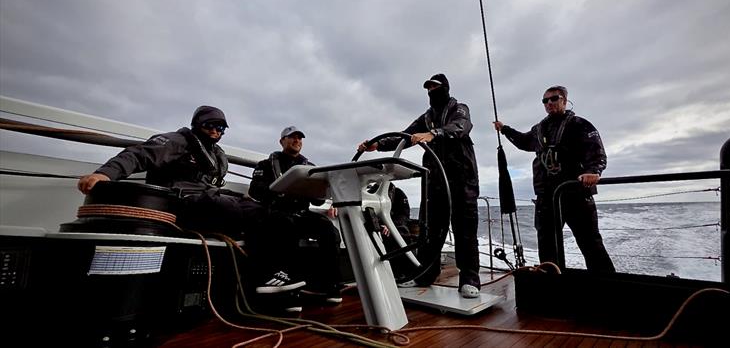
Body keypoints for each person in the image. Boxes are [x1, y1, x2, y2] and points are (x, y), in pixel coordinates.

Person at [76, 106, 307, 300]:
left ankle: (271, 277)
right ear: (198, 124)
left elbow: (213, 188)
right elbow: (138, 154)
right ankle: (263, 276)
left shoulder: (216, 153)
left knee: (273, 216)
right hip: (180, 204)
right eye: (211, 125)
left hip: (208, 199)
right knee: (233, 209)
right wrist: (104, 174)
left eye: (221, 127)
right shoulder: (177, 142)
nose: (216, 131)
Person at [358, 73, 481, 298]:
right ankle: (424, 275)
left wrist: (433, 134)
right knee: (430, 231)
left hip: (462, 182)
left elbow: (461, 126)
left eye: (435, 87)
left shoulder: (459, 108)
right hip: (435, 183)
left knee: (465, 232)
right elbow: (404, 136)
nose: (431, 92)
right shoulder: (426, 117)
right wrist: (377, 144)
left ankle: (470, 279)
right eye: (428, 88)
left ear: (445, 88)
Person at [493, 85, 615, 273]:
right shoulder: (539, 129)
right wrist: (505, 129)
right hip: (547, 199)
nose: (549, 103)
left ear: (564, 101)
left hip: (575, 194)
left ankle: (607, 286)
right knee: (548, 247)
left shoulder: (580, 125)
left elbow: (597, 154)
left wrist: (594, 171)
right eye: (545, 100)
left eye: (554, 99)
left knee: (591, 244)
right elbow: (524, 141)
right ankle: (552, 288)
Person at [248, 126, 343, 303]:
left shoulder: (311, 169)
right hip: (275, 213)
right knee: (285, 226)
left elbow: (318, 202)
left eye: (299, 138)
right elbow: (255, 191)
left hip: (302, 214)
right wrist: (280, 190)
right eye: (292, 137)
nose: (297, 141)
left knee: (329, 230)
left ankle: (330, 285)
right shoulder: (265, 165)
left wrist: (315, 193)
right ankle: (286, 291)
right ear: (282, 141)